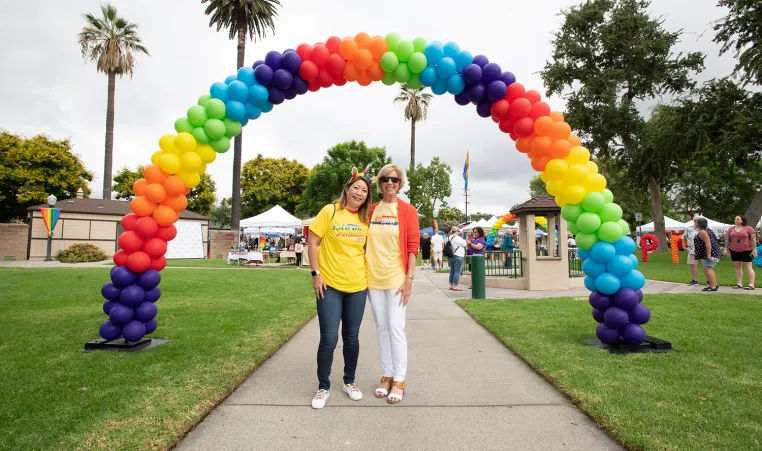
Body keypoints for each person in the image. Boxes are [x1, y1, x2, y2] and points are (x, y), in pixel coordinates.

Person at [306, 168, 373, 409]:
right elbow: (312, 241)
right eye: (356, 187)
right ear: (347, 189)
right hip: (330, 285)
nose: (360, 192)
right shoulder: (330, 211)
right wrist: (316, 273)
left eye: (364, 190)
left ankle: (349, 381)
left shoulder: (365, 219)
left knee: (352, 337)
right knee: (329, 338)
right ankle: (323, 387)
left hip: (357, 285)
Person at [366, 163, 419, 405]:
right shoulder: (371, 210)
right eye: (386, 179)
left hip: (396, 277)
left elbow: (412, 246)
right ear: (379, 182)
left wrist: (409, 278)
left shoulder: (407, 210)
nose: (390, 183)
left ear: (400, 184)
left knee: (396, 326)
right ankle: (386, 374)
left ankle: (399, 379)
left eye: (394, 180)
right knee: (381, 327)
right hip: (372, 277)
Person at [724, 215, 757, 290]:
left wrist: (754, 249)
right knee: (737, 267)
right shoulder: (731, 229)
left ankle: (751, 284)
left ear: (743, 220)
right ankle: (739, 283)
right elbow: (727, 239)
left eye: (738, 219)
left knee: (748, 266)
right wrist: (726, 248)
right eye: (735, 219)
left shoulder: (749, 228)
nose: (736, 220)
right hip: (734, 250)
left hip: (746, 250)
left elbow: (753, 240)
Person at [694, 217, 722, 292]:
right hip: (706, 252)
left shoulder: (703, 232)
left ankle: (713, 286)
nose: (695, 223)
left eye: (696, 222)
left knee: (708, 268)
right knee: (707, 268)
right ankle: (713, 284)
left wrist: (708, 253)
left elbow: (708, 243)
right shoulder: (707, 230)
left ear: (699, 224)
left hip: (707, 252)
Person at [683, 216, 702, 286]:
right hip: (692, 250)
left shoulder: (705, 228)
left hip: (703, 250)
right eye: (694, 220)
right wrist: (683, 246)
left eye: (697, 220)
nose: (695, 222)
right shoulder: (689, 228)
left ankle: (709, 280)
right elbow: (684, 237)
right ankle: (694, 280)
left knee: (706, 266)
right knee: (693, 265)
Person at [447, 226, 467, 291]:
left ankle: (451, 285)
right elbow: (464, 244)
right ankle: (455, 285)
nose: (459, 232)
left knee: (452, 271)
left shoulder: (448, 237)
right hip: (458, 255)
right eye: (458, 231)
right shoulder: (457, 238)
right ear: (456, 231)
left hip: (451, 255)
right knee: (457, 271)